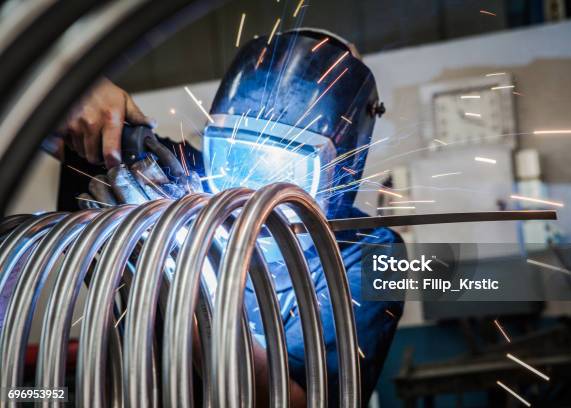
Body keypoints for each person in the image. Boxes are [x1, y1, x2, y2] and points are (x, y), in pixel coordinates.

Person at [56, 29, 404, 407]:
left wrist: (181, 293)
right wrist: (79, 92)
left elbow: (301, 401)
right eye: (237, 158)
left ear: (342, 167)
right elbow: (71, 126)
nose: (255, 193)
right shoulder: (184, 179)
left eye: (288, 170)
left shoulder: (370, 253)